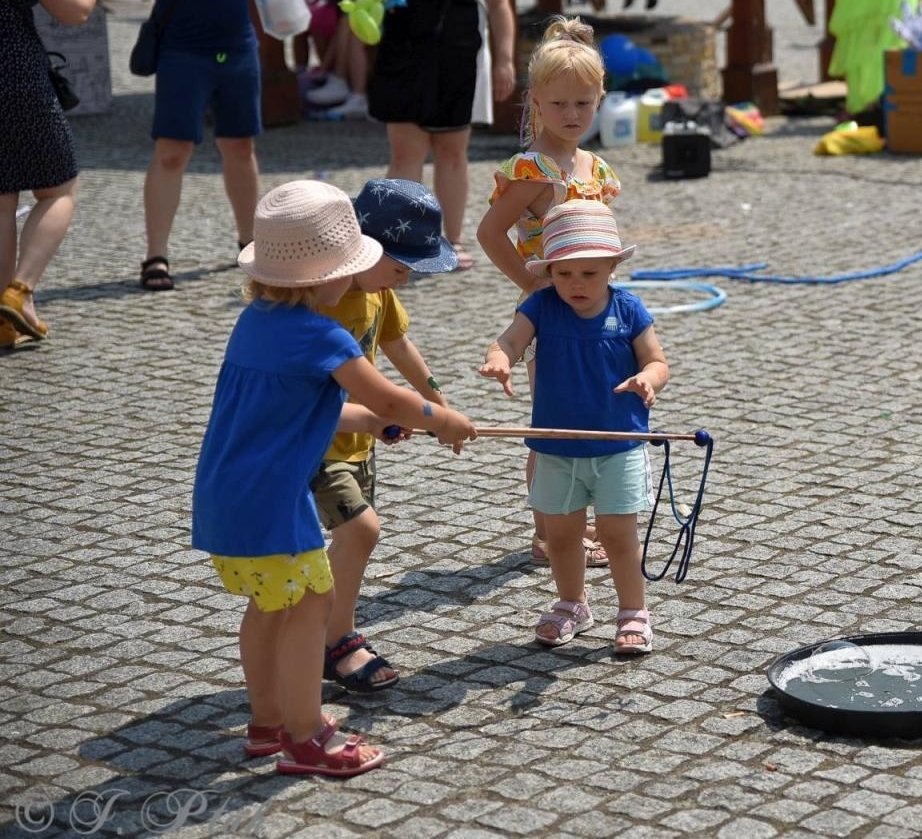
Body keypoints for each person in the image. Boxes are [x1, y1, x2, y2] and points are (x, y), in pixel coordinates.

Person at [192, 180, 475, 777]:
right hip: (272, 504)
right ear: (325, 278)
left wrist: (366, 422)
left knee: (270, 607)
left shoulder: (258, 320)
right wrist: (443, 419)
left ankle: (267, 724)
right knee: (311, 605)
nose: (357, 278)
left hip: (227, 495)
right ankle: (306, 738)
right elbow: (394, 400)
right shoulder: (323, 334)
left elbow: (301, 408)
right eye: (353, 268)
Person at [479, 200, 667, 654]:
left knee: (618, 535)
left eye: (588, 274)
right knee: (560, 536)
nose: (575, 285)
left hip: (617, 445)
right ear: (549, 273)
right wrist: (499, 359)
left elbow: (658, 360)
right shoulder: (542, 306)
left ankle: (633, 612)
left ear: (610, 268)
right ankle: (572, 604)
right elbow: (509, 340)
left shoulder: (628, 309)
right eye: (564, 274)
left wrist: (648, 378)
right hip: (557, 447)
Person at [477, 17, 620, 570]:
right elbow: (490, 234)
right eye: (559, 104)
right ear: (536, 101)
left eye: (583, 104)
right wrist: (531, 285)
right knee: (553, 422)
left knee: (592, 413)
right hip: (549, 311)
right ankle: (548, 529)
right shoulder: (533, 169)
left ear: (599, 98)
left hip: (595, 307)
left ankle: (580, 520)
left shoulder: (595, 167)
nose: (572, 115)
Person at [313, 178, 457, 694]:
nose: (405, 278)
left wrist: (437, 401)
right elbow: (318, 399)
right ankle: (336, 640)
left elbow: (397, 344)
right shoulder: (321, 307)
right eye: (399, 266)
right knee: (361, 531)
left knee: (350, 539)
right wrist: (423, 417)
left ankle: (325, 632)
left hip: (360, 442)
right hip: (316, 446)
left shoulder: (378, 292)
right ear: (360, 249)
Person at [367, 0, 517, 272]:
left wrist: (505, 59)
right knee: (406, 153)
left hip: (457, 58)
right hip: (401, 59)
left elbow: (501, 4)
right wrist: (368, 4)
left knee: (452, 153)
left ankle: (449, 241)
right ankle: (404, 242)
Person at [131, 0, 262, 292]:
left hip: (237, 45)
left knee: (240, 147)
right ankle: (156, 256)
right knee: (172, 151)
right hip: (183, 50)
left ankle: (250, 243)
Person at [0, 0, 96, 346]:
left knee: (1, 199)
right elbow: (74, 11)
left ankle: (6, 316)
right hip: (15, 78)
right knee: (59, 189)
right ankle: (19, 291)